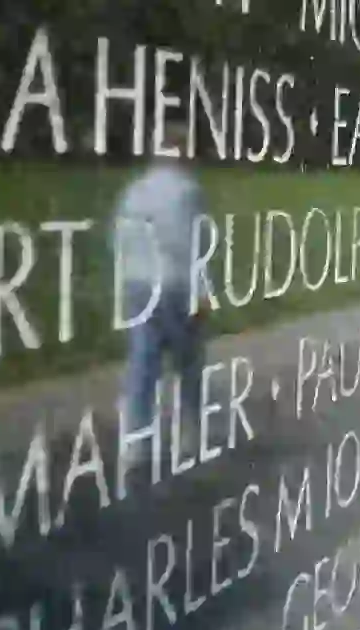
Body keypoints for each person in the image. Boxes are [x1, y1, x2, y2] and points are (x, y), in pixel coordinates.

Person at [112, 121, 213, 464]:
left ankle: (136, 440)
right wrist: (202, 290)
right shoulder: (187, 191)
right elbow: (193, 243)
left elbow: (120, 238)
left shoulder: (135, 190)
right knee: (188, 362)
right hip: (174, 283)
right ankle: (189, 431)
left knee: (143, 362)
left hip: (138, 283)